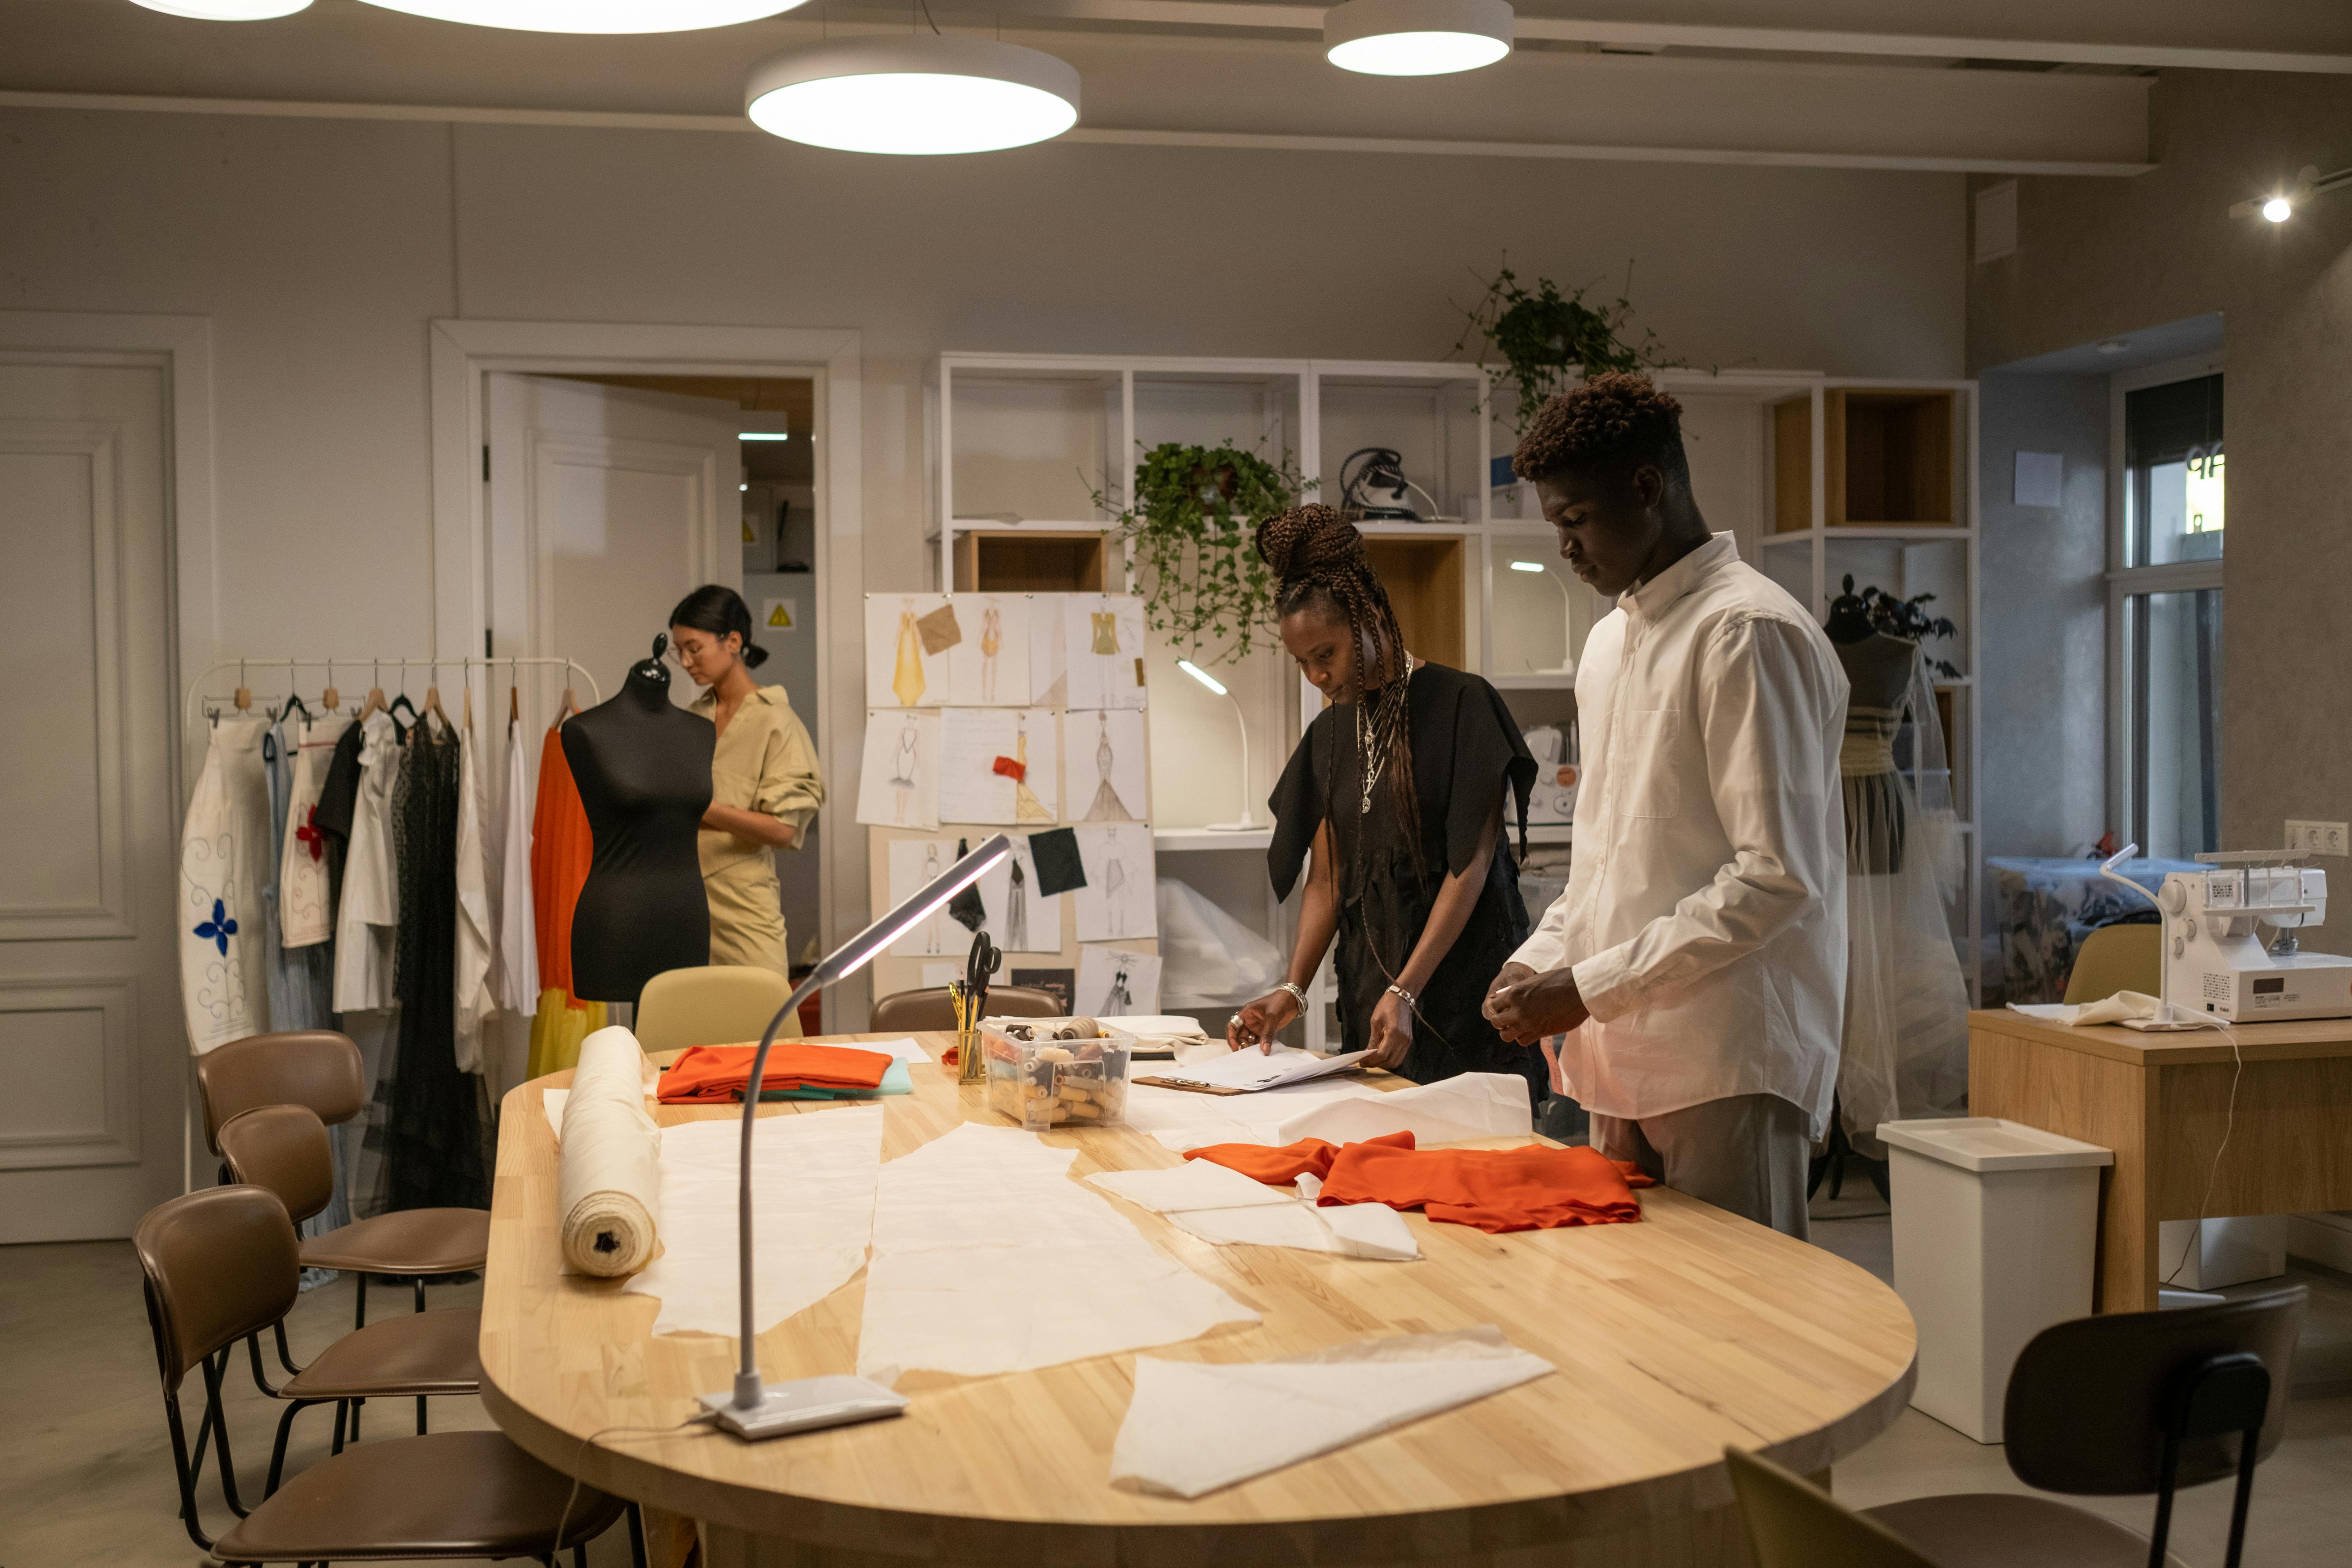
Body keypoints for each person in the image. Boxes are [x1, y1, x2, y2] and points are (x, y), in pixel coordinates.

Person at [1480, 373, 1849, 1239]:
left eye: (1575, 519)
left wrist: (1589, 985)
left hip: (1728, 1057)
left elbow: (1775, 877)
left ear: (1646, 487)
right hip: (1622, 1055)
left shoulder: (1747, 631)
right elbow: (1610, 860)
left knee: (1744, 1337)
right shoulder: (1611, 640)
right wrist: (1539, 959)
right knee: (1639, 1328)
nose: (1566, 548)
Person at [1227, 505, 1542, 1106]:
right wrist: (1293, 990)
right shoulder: (1329, 736)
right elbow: (1326, 880)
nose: (1317, 675)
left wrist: (1407, 990)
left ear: (1368, 618)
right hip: (1375, 1008)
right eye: (1302, 663)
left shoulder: (1460, 704)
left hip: (1464, 996)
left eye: (1326, 653)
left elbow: (1469, 867)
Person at [667, 585, 826, 979]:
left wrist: (705, 809)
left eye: (694, 648)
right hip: (684, 902)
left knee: (762, 1028)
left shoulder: (775, 720)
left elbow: (784, 829)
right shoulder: (692, 718)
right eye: (679, 651)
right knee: (691, 1032)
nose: (686, 661)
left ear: (732, 642)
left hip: (744, 907)